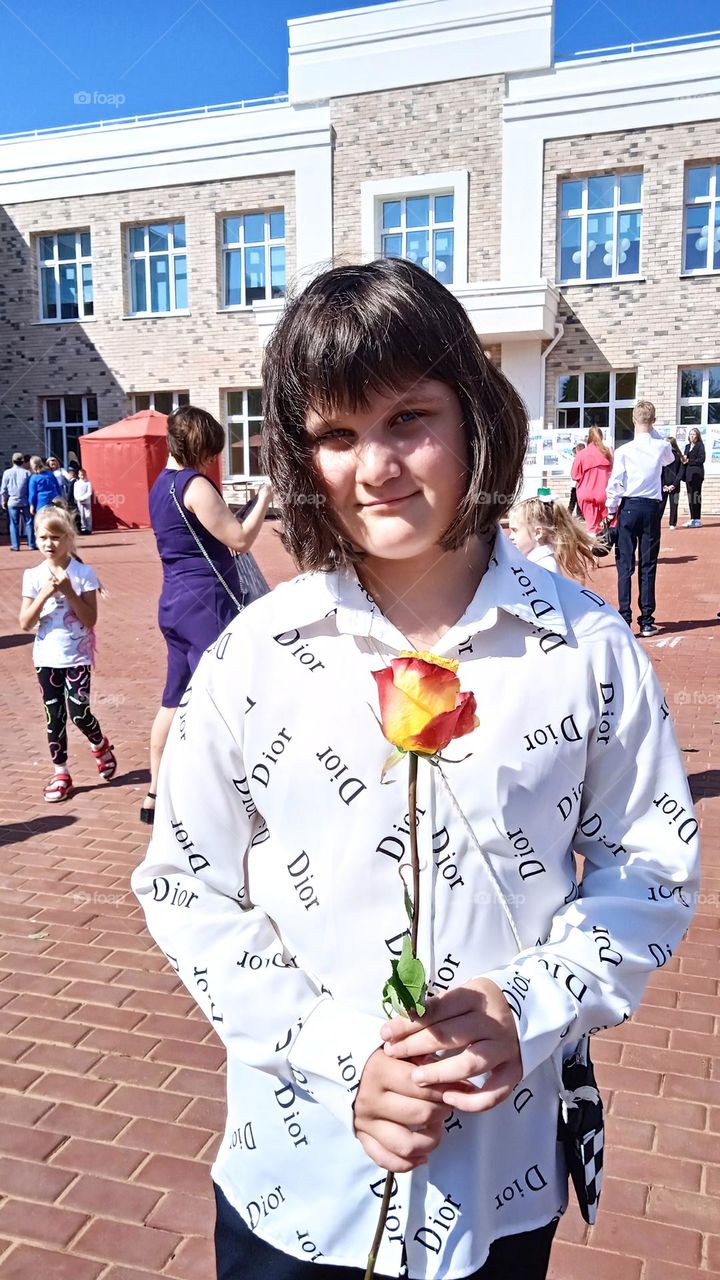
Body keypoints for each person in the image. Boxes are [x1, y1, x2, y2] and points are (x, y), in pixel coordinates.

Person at [132, 259, 699, 1280]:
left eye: (408, 418)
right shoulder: (256, 656)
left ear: (474, 416)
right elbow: (184, 882)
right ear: (304, 457)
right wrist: (340, 1046)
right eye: (338, 434)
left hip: (499, 1181)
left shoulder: (586, 646)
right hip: (295, 1182)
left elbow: (649, 868)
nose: (377, 465)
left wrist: (529, 1001)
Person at [140, 405, 273, 826]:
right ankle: (218, 791)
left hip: (174, 603)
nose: (214, 459)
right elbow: (239, 540)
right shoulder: (195, 485)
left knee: (174, 698)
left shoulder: (160, 486)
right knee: (220, 697)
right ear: (200, 446)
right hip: (207, 603)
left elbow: (197, 534)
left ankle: (154, 792)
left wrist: (244, 504)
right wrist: (266, 498)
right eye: (212, 450)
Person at [18, 504, 116, 802]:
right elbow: (25, 622)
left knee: (78, 712)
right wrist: (46, 593)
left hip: (77, 657)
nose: (49, 544)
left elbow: (90, 619)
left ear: (69, 538)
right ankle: (61, 772)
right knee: (54, 717)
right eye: (43, 537)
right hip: (46, 658)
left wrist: (68, 591)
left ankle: (99, 743)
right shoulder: (33, 575)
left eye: (56, 537)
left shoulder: (83, 573)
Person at [604, 400, 673, 639]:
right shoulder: (660, 446)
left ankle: (624, 617)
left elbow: (614, 484)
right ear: (653, 421)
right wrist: (652, 429)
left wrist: (611, 509)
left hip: (629, 506)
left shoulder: (624, 451)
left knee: (625, 565)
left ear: (633, 420)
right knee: (648, 565)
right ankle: (646, 621)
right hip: (651, 508)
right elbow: (670, 459)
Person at [507, 495, 598, 579]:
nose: (510, 537)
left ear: (538, 533)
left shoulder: (544, 568)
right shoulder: (537, 563)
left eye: (515, 530)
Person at [570, 426, 612, 534]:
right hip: (604, 494)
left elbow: (574, 475)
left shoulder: (582, 454)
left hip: (586, 494)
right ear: (601, 437)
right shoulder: (608, 452)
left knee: (592, 527)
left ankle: (593, 548)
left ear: (589, 437)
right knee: (612, 524)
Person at [1, 451, 34, 551]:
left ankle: (15, 545)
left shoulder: (7, 472)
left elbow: (3, 489)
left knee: (13, 523)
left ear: (13, 461)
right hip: (25, 500)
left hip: (12, 500)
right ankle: (31, 544)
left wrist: (3, 501)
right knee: (29, 522)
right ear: (23, 461)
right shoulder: (27, 472)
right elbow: (30, 488)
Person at [661, 437, 685, 530]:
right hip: (664, 485)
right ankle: (657, 521)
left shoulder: (679, 456)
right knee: (660, 505)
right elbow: (659, 472)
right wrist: (663, 485)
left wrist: (674, 485)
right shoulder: (662, 456)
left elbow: (680, 472)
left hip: (674, 485)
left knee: (674, 505)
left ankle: (672, 523)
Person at [683, 427, 705, 527]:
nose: (692, 436)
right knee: (690, 497)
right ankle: (692, 518)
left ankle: (697, 519)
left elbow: (701, 459)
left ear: (697, 436)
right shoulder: (687, 446)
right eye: (690, 434)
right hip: (688, 475)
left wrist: (689, 461)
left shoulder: (700, 445)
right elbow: (684, 459)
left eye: (694, 434)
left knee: (696, 496)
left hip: (697, 474)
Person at [567, 443, 584, 516]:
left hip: (579, 484)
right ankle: (569, 514)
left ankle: (578, 514)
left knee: (577, 501)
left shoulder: (579, 460)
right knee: (573, 500)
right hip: (576, 484)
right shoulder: (575, 460)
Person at [74, 468, 93, 534]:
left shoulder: (88, 483)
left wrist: (83, 498)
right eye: (81, 475)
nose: (82, 476)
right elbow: (75, 492)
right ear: (78, 475)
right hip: (79, 501)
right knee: (82, 515)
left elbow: (89, 492)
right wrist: (78, 498)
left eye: (84, 475)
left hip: (86, 501)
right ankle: (83, 528)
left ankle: (89, 528)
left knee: (88, 514)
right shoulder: (76, 483)